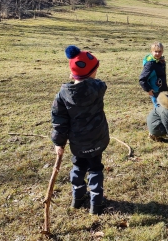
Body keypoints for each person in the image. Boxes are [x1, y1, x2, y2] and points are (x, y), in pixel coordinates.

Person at [51, 45, 110, 215]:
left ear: (73, 74)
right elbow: (101, 83)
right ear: (91, 73)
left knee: (78, 167)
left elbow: (59, 120)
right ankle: (96, 204)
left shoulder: (63, 94)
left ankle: (77, 197)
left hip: (77, 142)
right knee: (95, 168)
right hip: (97, 139)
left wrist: (58, 142)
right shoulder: (97, 88)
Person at [139, 42, 168, 107]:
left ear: (162, 51)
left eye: (159, 51)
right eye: (155, 51)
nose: (158, 53)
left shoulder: (161, 61)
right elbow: (142, 79)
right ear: (151, 51)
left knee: (162, 107)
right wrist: (148, 89)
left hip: (159, 88)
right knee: (158, 108)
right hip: (154, 90)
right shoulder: (150, 64)